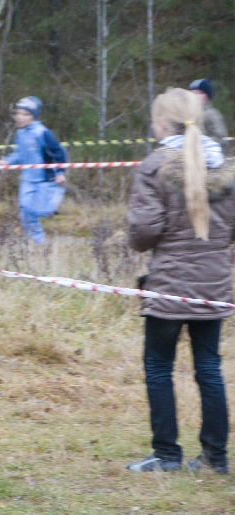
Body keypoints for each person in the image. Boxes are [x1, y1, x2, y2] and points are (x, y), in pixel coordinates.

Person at [127, 87, 230, 475]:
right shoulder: (223, 166)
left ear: (161, 123)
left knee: (158, 367)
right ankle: (215, 459)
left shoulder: (154, 166)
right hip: (214, 285)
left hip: (169, 283)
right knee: (209, 368)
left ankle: (166, 455)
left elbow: (143, 233)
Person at [0, 96, 68, 244]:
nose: (19, 117)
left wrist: (60, 172)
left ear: (33, 116)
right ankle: (38, 243)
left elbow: (59, 153)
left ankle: (53, 203)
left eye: (25, 114)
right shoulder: (20, 133)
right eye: (17, 113)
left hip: (45, 180)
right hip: (27, 180)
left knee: (41, 211)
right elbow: (19, 153)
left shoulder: (42, 133)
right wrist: (7, 161)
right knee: (25, 212)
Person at [188, 79, 229, 155]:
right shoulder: (188, 114)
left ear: (206, 96)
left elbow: (221, 138)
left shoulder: (212, 114)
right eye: (191, 93)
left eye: (198, 93)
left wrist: (201, 142)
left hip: (209, 155)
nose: (193, 96)